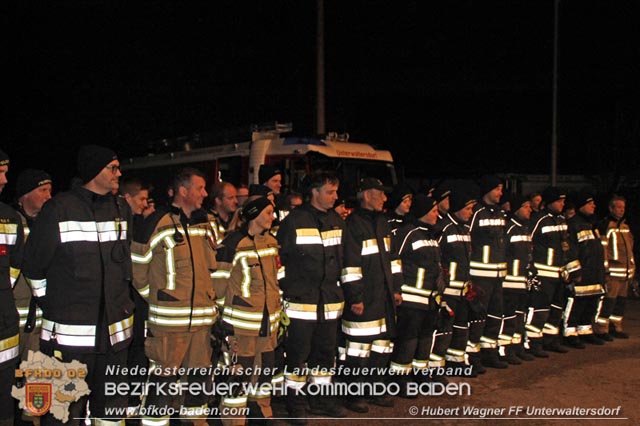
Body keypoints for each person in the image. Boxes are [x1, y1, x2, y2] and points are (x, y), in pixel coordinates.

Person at [22, 145, 133, 426]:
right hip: (68, 343)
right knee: (63, 414)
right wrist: (53, 303)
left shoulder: (121, 209)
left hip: (114, 342)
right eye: (113, 167)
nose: (119, 173)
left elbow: (124, 269)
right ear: (95, 171)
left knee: (111, 413)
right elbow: (34, 267)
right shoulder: (59, 209)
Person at [131, 168, 217, 426]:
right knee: (163, 387)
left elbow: (213, 268)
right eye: (200, 188)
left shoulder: (206, 223)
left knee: (198, 386)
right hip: (168, 326)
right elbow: (137, 268)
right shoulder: (157, 222)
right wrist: (159, 299)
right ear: (183, 191)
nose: (204, 193)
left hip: (202, 325)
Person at [277, 172, 346, 422]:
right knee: (298, 354)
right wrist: (290, 287)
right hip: (300, 303)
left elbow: (345, 260)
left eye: (336, 192)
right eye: (330, 192)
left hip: (329, 301)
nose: (335, 197)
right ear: (314, 192)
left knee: (326, 354)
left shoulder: (337, 221)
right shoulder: (294, 221)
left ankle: (322, 398)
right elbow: (279, 261)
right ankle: (296, 402)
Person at [213, 196, 281, 424]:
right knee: (238, 375)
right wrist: (222, 321)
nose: (273, 217)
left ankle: (262, 412)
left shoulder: (271, 242)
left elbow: (274, 281)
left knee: (264, 371)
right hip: (241, 327)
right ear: (253, 214)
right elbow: (218, 285)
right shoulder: (233, 244)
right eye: (268, 213)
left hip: (268, 324)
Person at [340, 177, 402, 413]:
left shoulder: (382, 222)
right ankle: (353, 395)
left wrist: (396, 288)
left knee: (381, 347)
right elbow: (350, 266)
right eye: (380, 193)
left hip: (384, 298)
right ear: (366, 195)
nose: (385, 198)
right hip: (364, 299)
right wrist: (355, 297)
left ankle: (374, 389)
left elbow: (393, 258)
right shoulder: (354, 224)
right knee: (358, 350)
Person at [390, 194, 448, 394]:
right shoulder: (408, 233)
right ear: (423, 213)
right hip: (411, 299)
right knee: (408, 338)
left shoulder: (432, 235)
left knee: (425, 338)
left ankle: (420, 375)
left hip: (430, 299)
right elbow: (394, 260)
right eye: (433, 211)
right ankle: (400, 379)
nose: (436, 214)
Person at [528, 187, 579, 355]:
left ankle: (550, 340)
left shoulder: (562, 221)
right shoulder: (539, 220)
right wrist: (531, 271)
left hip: (559, 274)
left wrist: (572, 271)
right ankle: (534, 343)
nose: (562, 204)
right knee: (540, 310)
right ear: (549, 202)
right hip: (544, 274)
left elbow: (567, 247)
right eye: (559, 201)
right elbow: (528, 244)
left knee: (557, 308)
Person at [467, 175, 509, 369]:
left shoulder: (500, 213)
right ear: (487, 190)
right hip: (480, 275)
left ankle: (489, 353)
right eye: (497, 189)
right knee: (478, 318)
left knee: (495, 315)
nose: (500, 193)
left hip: (498, 275)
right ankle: (473, 357)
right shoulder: (477, 212)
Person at [438, 184, 479, 375]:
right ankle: (438, 368)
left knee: (462, 327)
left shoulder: (464, 229)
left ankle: (457, 363)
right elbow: (437, 260)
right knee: (444, 330)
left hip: (463, 290)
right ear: (457, 208)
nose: (471, 213)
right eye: (468, 209)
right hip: (448, 291)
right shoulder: (443, 228)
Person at [12, 169, 52, 361]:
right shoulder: (11, 223)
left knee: (39, 383)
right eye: (42, 190)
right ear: (24, 195)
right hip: (12, 320)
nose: (48, 196)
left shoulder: (48, 224)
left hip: (41, 321)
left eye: (50, 191)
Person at [0, 149, 25, 426]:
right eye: (1, 172)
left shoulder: (10, 218)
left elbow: (14, 268)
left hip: (4, 325)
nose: (5, 180)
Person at [563, 191, 606, 348]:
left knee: (590, 303)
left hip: (593, 273)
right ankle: (570, 333)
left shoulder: (590, 224)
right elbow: (570, 250)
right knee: (577, 304)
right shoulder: (573, 224)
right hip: (582, 274)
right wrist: (575, 272)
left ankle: (585, 330)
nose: (593, 205)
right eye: (590, 203)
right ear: (581, 206)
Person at [501, 194, 536, 362]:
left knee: (520, 316)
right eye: (526, 207)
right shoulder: (509, 228)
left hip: (522, 282)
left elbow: (528, 254)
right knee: (508, 317)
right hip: (509, 282)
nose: (530, 210)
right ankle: (505, 350)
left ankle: (517, 347)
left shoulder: (525, 228)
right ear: (517, 209)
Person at [596, 194, 635, 339]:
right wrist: (605, 269)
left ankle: (616, 327)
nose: (621, 210)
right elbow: (603, 250)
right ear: (611, 208)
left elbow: (630, 249)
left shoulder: (624, 227)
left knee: (620, 303)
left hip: (625, 273)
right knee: (608, 302)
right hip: (612, 273)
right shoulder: (606, 226)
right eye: (618, 207)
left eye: (623, 207)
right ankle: (602, 329)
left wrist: (632, 267)